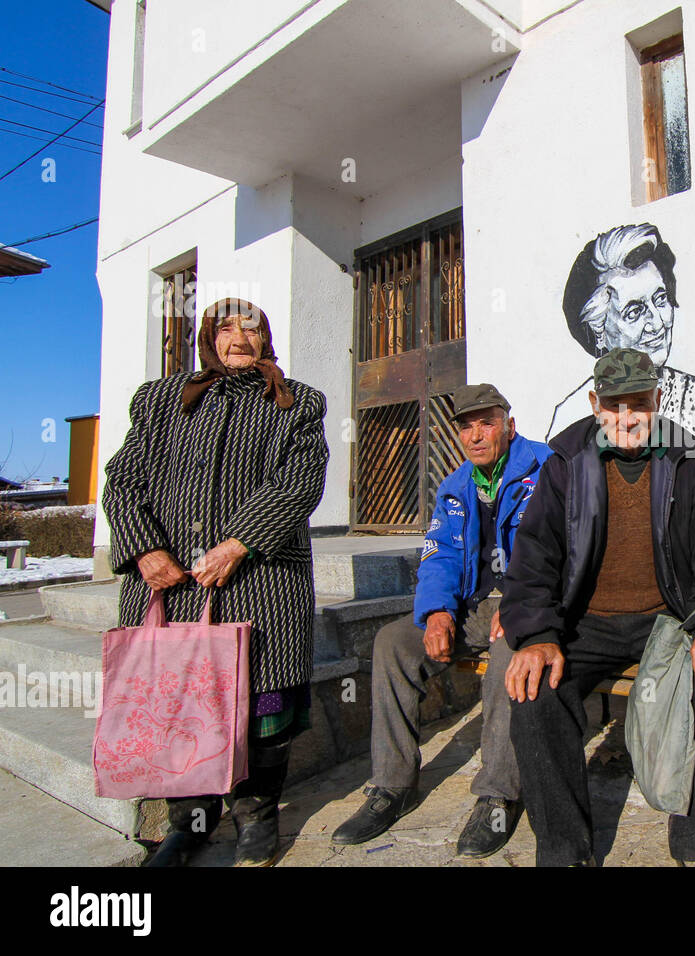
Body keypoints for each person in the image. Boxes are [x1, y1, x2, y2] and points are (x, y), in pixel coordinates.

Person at [101, 297, 329, 867]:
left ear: (266, 339)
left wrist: (238, 543)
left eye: (251, 329)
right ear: (208, 337)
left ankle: (256, 817)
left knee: (266, 707)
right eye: (225, 328)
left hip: (263, 584)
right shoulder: (161, 399)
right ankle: (190, 822)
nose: (239, 338)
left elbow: (301, 482)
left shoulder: (296, 402)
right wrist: (144, 549)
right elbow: (121, 481)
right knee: (181, 706)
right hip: (172, 586)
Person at [503, 347, 695, 866]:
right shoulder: (566, 463)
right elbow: (533, 559)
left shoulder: (687, 462)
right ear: (595, 405)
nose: (626, 417)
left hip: (669, 621)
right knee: (534, 689)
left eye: (638, 403)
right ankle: (566, 850)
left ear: (656, 401)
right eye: (614, 405)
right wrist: (539, 635)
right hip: (586, 623)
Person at [331, 384, 550, 858]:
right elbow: (440, 556)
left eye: (486, 422)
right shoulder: (455, 487)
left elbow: (561, 550)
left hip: (532, 605)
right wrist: (436, 614)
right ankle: (393, 784)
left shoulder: (548, 470)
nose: (475, 435)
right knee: (392, 642)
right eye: (466, 426)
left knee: (510, 653)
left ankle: (499, 794)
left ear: (509, 426)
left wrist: (521, 606)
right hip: (475, 608)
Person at [548, 223, 695, 494]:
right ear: (599, 331)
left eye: (661, 299)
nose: (657, 322)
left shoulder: (693, 396)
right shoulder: (570, 416)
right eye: (634, 311)